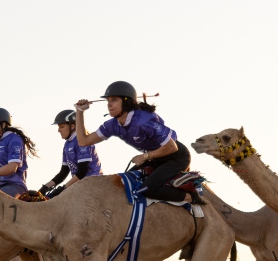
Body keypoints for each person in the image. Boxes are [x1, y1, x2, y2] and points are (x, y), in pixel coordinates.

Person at [74, 81, 205, 204]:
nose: (109, 104)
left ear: (126, 102)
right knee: (125, 183)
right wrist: (79, 112)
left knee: (147, 189)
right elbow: (83, 141)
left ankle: (192, 198)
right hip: (155, 158)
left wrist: (144, 156)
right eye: (108, 100)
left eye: (114, 100)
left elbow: (172, 147)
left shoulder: (143, 121)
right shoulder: (112, 124)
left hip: (176, 157)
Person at [38, 110, 103, 197]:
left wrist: (64, 188)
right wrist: (44, 188)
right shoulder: (67, 144)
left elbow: (82, 171)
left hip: (93, 184)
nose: (58, 130)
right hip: (80, 185)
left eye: (62, 127)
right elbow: (63, 173)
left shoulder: (82, 140)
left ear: (72, 126)